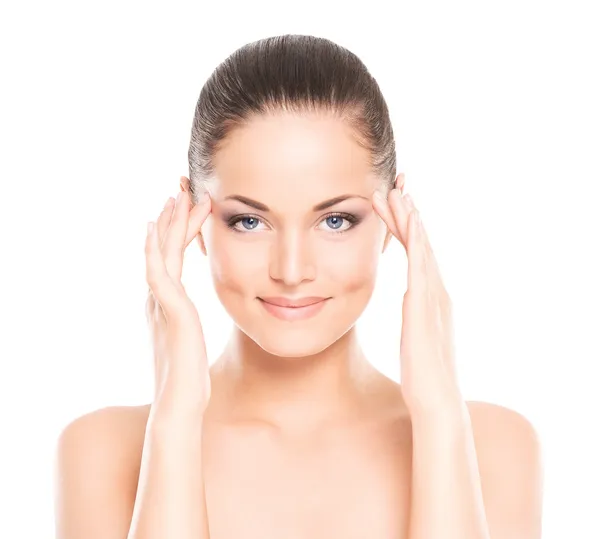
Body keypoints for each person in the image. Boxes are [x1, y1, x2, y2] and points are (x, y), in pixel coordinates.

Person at [54, 35, 543, 539]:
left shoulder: (492, 447)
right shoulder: (104, 451)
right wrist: (175, 420)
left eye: (334, 220)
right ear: (194, 219)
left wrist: (440, 418)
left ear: (393, 216)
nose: (291, 270)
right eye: (249, 221)